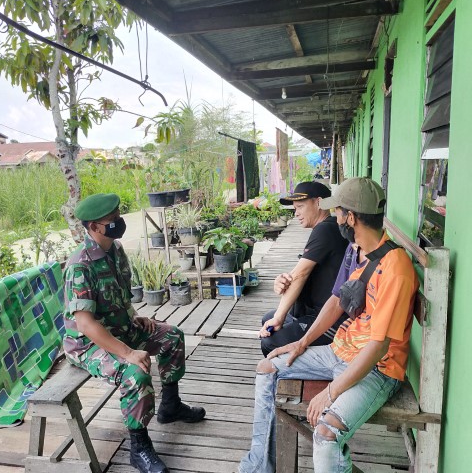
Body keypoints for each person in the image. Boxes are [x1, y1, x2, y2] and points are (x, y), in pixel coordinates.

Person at [239, 177, 418, 473]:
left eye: (338, 212)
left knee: (325, 434)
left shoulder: (396, 269)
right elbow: (336, 301)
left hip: (378, 369)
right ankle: (258, 466)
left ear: (351, 217)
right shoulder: (358, 249)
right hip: (340, 350)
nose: (335, 217)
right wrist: (302, 342)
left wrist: (331, 392)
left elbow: (379, 346)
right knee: (267, 367)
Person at [62, 193, 206, 473]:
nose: (119, 222)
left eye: (118, 215)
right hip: (88, 344)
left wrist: (134, 316)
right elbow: (86, 324)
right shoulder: (81, 265)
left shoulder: (115, 250)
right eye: (112, 219)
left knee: (172, 336)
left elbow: (120, 296)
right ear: (94, 227)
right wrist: (128, 353)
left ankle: (171, 406)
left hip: (120, 328)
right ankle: (139, 447)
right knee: (136, 372)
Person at [258, 181, 348, 356]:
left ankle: (298, 369)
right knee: (268, 319)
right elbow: (298, 273)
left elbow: (301, 274)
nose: (296, 213)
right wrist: (283, 279)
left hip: (331, 320)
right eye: (295, 208)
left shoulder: (326, 229)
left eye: (300, 207)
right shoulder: (327, 227)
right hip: (314, 311)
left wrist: (279, 317)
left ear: (319, 202)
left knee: (270, 342)